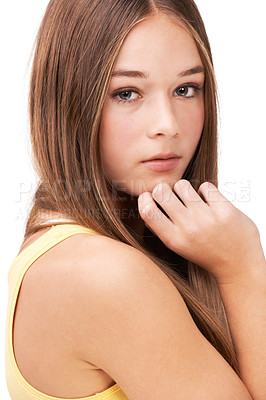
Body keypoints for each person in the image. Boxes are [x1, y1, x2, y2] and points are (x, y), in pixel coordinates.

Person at [5, 0, 266, 399]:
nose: (168, 125)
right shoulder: (106, 276)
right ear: (69, 101)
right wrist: (243, 268)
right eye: (127, 93)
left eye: (185, 89)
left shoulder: (64, 243)